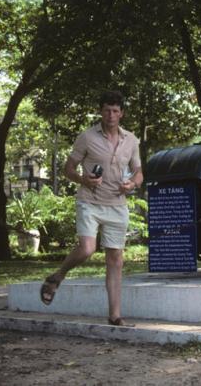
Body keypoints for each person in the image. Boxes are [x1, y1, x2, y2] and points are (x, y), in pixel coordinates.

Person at [39, 90, 143, 326]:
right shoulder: (87, 137)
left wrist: (132, 183)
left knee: (115, 259)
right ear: (101, 111)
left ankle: (115, 316)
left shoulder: (132, 140)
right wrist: (83, 179)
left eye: (116, 111)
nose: (111, 115)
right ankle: (58, 276)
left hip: (117, 204)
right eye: (107, 110)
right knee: (87, 249)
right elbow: (69, 169)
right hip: (90, 201)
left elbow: (139, 172)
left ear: (122, 113)